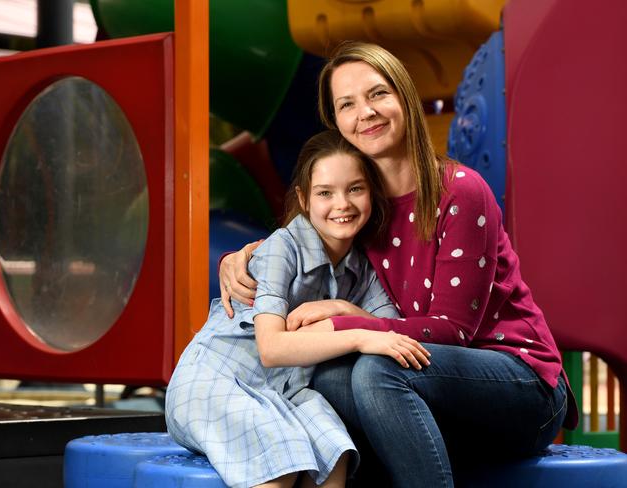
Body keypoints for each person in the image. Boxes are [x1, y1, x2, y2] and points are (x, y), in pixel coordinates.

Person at [219, 42, 578, 487]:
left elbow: (453, 331)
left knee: (376, 368)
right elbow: (299, 239)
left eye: (377, 94)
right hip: (423, 389)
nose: (364, 112)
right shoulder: (361, 206)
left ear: (404, 97)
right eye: (346, 104)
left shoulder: (460, 192)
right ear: (338, 124)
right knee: (329, 380)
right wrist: (243, 257)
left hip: (519, 384)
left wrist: (348, 319)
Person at [166, 129, 431, 488]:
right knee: (284, 459)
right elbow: (272, 349)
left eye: (355, 189)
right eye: (325, 193)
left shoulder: (363, 269)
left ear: (372, 194)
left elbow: (391, 330)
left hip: (284, 393)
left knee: (334, 451)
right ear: (304, 200)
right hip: (218, 380)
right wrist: (359, 337)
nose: (343, 204)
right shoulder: (282, 248)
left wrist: (342, 308)